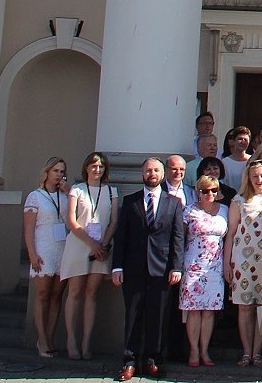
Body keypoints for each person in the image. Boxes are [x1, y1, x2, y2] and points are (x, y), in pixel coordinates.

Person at [111, 156, 186, 382]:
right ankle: (130, 361)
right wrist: (117, 267)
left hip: (162, 269)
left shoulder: (173, 203)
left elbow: (178, 238)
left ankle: (153, 360)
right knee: (133, 315)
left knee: (158, 316)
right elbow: (121, 236)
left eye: (156, 171)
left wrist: (176, 266)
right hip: (133, 268)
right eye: (148, 170)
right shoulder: (131, 201)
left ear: (162, 175)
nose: (152, 174)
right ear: (142, 174)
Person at [226, 158, 262, 368]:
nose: (259, 180)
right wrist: (227, 263)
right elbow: (231, 233)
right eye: (255, 176)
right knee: (245, 308)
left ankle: (257, 352)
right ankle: (246, 352)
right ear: (248, 177)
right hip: (242, 260)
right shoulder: (239, 200)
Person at [61, 151, 116, 361]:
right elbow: (71, 221)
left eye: (101, 166)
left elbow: (113, 221)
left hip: (101, 249)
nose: (97, 169)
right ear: (86, 168)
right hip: (79, 244)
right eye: (94, 166)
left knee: (92, 294)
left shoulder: (111, 191)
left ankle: (86, 342)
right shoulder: (77, 190)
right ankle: (71, 340)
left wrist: (103, 245)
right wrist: (92, 244)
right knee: (75, 292)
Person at [179, 174, 228, 367]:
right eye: (205, 191)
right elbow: (180, 237)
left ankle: (205, 350)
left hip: (215, 266)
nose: (210, 194)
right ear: (198, 192)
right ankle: (193, 350)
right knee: (193, 310)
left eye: (214, 190)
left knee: (209, 311)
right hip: (193, 264)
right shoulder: (189, 210)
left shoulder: (225, 210)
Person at [24, 157, 70, 357]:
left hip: (63, 248)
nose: (59, 174)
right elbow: (28, 228)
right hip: (43, 248)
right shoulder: (35, 196)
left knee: (56, 296)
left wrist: (68, 190)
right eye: (55, 171)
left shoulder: (66, 196)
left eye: (62, 171)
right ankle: (41, 340)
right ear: (47, 172)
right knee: (42, 295)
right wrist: (32, 253)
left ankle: (49, 337)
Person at [221, 125, 251, 190]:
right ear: (234, 141)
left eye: (245, 140)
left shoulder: (252, 160)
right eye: (240, 139)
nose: (243, 142)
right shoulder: (225, 162)